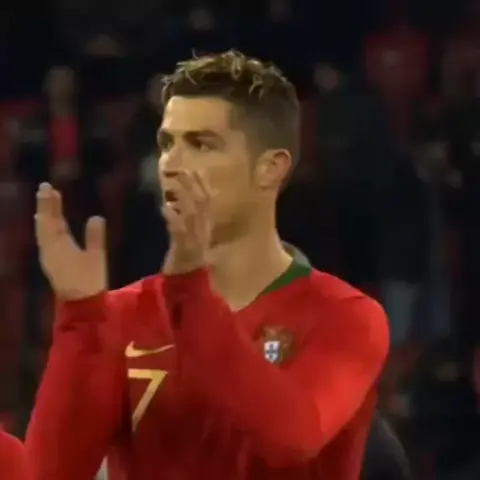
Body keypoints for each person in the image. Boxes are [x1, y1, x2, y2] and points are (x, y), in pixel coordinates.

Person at [26, 50, 389, 480]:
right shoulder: (121, 316)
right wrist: (81, 318)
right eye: (167, 144)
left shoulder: (345, 317)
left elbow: (291, 439)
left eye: (201, 144)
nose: (171, 165)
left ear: (270, 169)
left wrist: (191, 292)